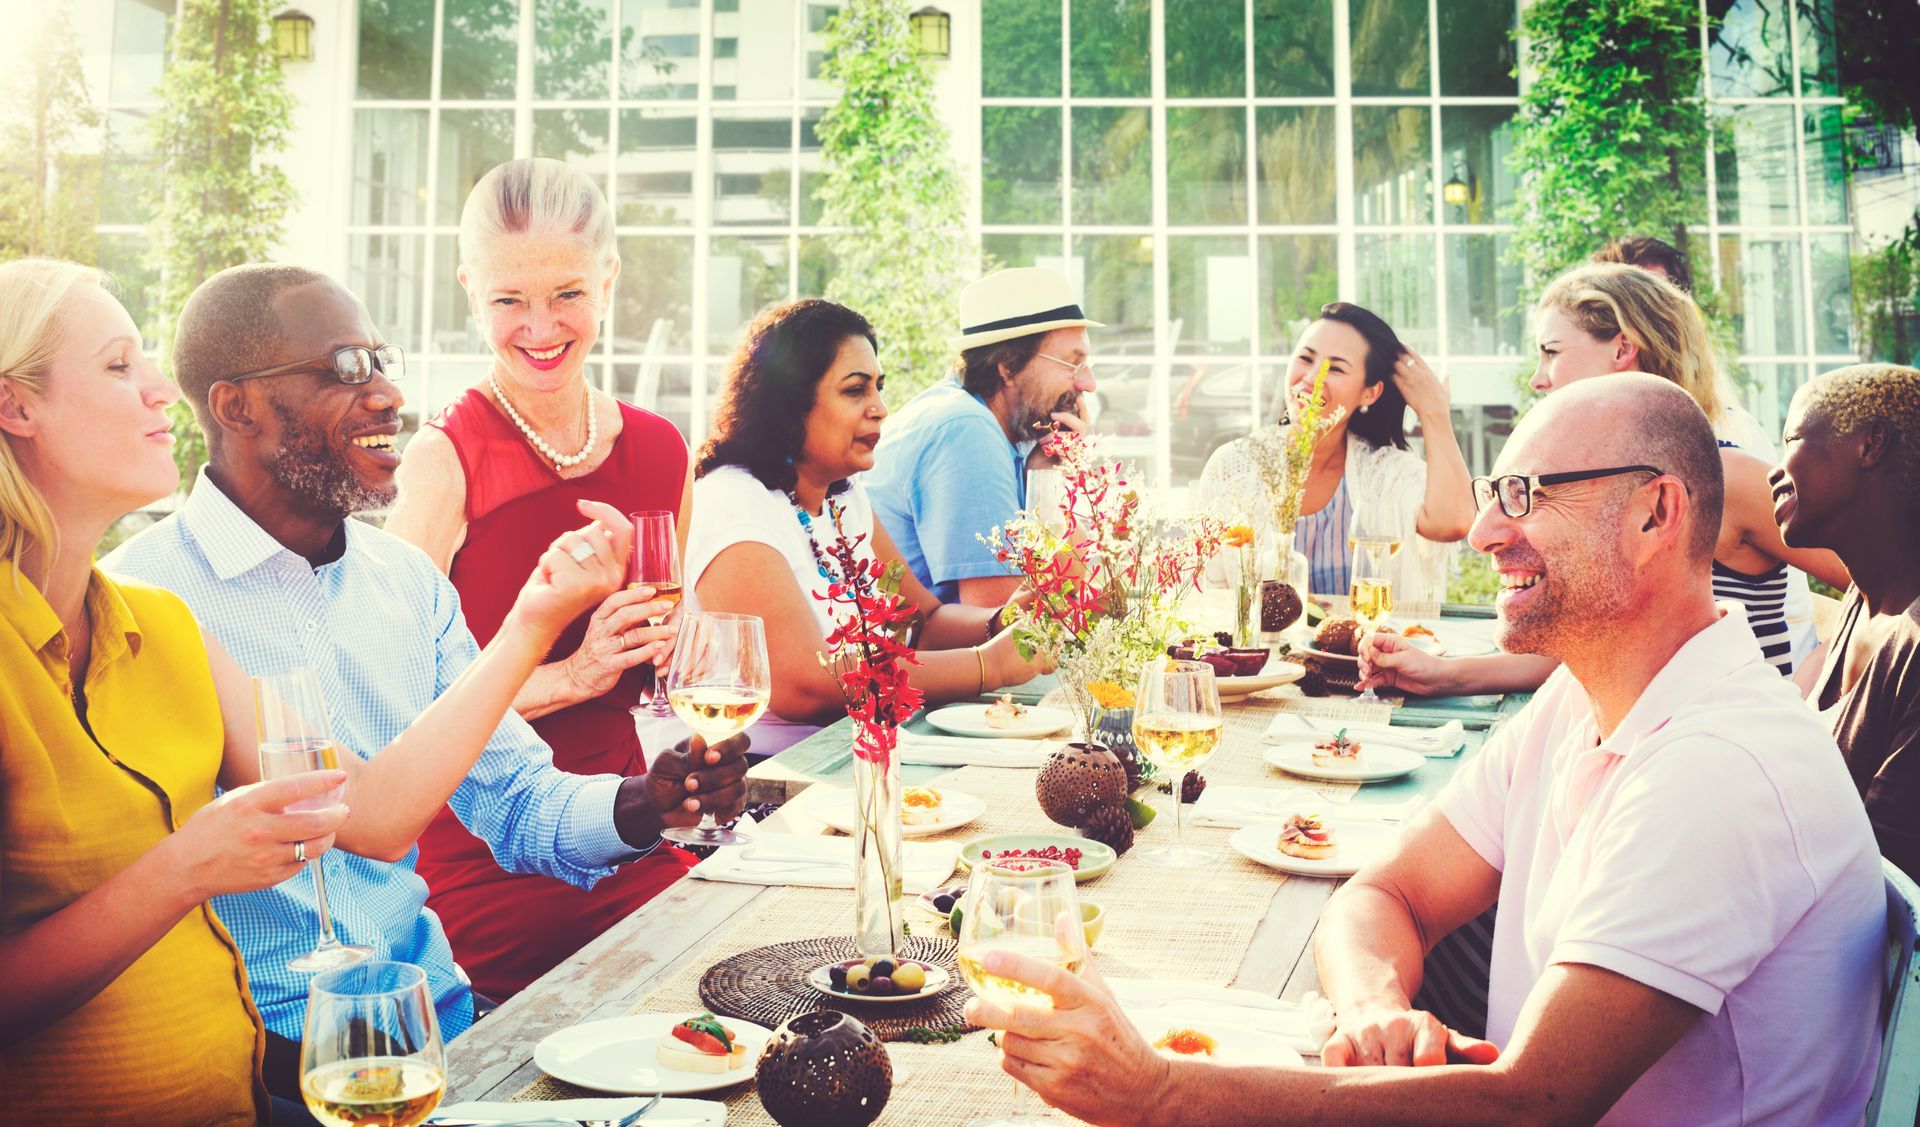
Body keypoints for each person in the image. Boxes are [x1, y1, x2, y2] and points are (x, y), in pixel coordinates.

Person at [965, 375, 1886, 1126]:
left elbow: (1530, 1103)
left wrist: (1159, 1094)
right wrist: (1372, 1010)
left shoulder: (1721, 768)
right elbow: (1386, 890)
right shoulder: (1588, 693)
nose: (1485, 532)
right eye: (1495, 494)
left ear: (1656, 514)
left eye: (1524, 494)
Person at [103, 263, 748, 1101]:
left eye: (382, 362)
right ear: (238, 406)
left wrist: (649, 803)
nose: (384, 396)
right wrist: (538, 624)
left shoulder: (406, 581)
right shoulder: (138, 602)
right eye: (344, 369)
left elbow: (518, 801)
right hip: (267, 1063)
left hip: (441, 1024)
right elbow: (354, 815)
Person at [384, 158, 697, 1000]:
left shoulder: (665, 451)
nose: (541, 327)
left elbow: (671, 678)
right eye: (508, 301)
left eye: (567, 294)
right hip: (483, 867)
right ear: (468, 290)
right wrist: (572, 674)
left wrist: (673, 662)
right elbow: (394, 717)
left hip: (633, 837)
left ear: (609, 280)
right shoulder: (441, 463)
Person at [1365, 263, 1848, 690]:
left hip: (1725, 754)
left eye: (1551, 351)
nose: (1538, 378)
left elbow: (1894, 588)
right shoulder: (1601, 481)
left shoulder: (1727, 476)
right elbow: (1580, 644)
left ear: (1622, 348)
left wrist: (1808, 696)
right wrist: (1442, 674)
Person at [687, 299, 1045, 758]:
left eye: (878, 388)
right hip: (757, 783)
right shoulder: (733, 500)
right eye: (855, 391)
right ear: (789, 402)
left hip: (859, 758)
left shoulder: (843, 496)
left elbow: (924, 624)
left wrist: (1001, 622)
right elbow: (804, 684)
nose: (879, 408)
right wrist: (987, 665)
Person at [1196, 302, 1474, 604]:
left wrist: (1434, 412)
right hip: (1262, 651)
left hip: (1362, 650)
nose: (1312, 378)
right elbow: (1210, 593)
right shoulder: (1234, 466)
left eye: (1337, 368)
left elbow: (1454, 522)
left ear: (1370, 393)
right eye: (1305, 358)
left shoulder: (1386, 474)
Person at [865, 267, 1099, 606]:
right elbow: (1011, 628)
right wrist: (1053, 484)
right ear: (1008, 366)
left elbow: (1080, 595)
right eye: (1071, 364)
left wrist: (1048, 476)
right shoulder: (965, 431)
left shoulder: (1005, 432)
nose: (1088, 383)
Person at [1772, 363, 1920, 880]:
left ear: (1870, 444)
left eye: (1790, 438)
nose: (1774, 471)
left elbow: (1886, 873)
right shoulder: (1865, 598)